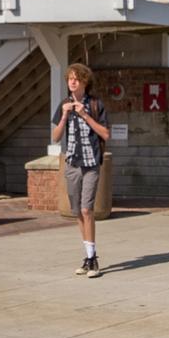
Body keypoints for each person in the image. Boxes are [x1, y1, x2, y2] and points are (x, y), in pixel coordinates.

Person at [50, 62, 110, 276]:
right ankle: (88, 256)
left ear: (85, 81)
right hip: (72, 164)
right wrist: (65, 115)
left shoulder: (95, 104)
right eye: (69, 78)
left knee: (87, 209)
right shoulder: (64, 104)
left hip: (91, 162)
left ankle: (93, 259)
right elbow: (55, 138)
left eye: (76, 78)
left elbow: (105, 134)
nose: (72, 82)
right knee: (77, 211)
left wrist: (85, 116)